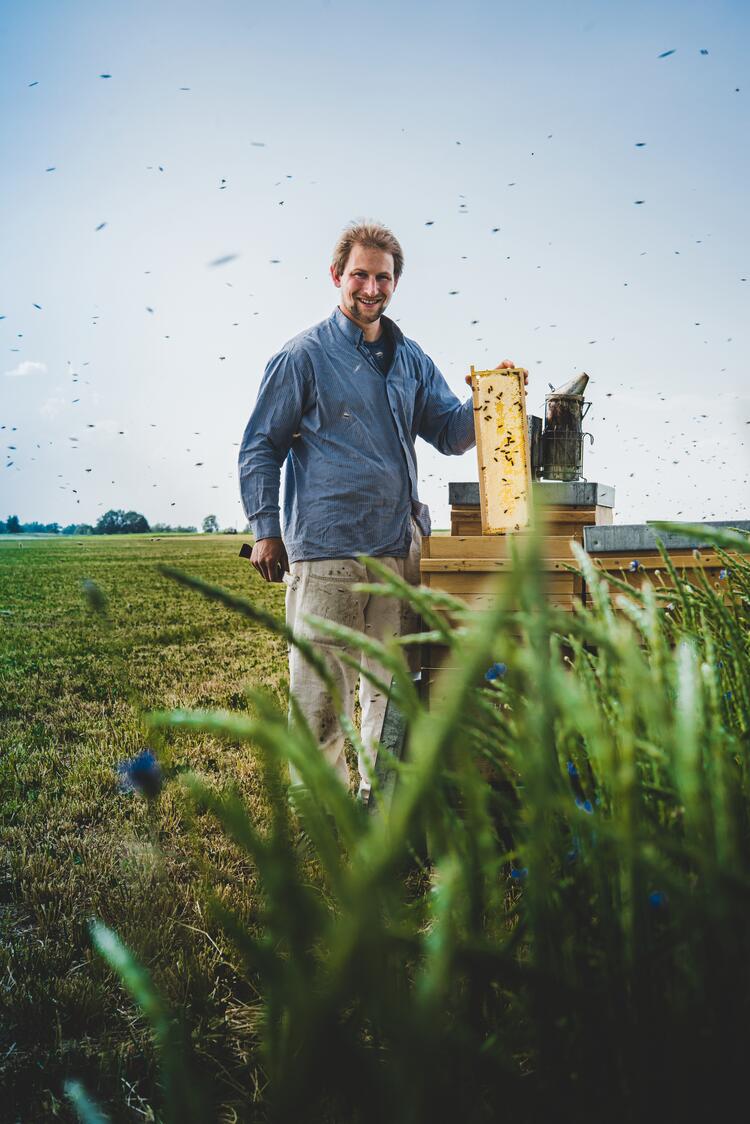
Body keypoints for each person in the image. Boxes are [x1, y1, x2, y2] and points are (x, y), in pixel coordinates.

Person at [238, 220, 526, 801]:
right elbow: (260, 447)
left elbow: (447, 430)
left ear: (396, 283)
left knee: (389, 687)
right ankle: (323, 806)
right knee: (322, 689)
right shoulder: (302, 358)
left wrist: (490, 398)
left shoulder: (410, 358)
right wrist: (266, 530)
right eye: (360, 276)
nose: (371, 288)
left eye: (383, 278)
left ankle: (379, 801)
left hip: (398, 549)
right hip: (328, 549)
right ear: (337, 276)